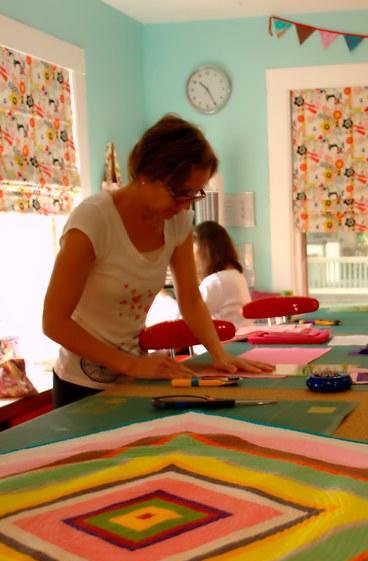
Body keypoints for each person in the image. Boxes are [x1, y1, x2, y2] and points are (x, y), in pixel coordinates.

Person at [43, 114, 272, 407]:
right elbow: (54, 322)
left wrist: (219, 354)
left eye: (193, 195)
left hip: (134, 377)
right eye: (179, 193)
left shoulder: (177, 222)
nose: (185, 205)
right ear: (147, 172)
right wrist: (132, 365)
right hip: (82, 384)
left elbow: (190, 298)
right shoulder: (94, 220)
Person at [192, 220, 252, 329]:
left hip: (229, 337)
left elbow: (189, 317)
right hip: (244, 334)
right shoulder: (237, 275)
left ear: (204, 251)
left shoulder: (215, 282)